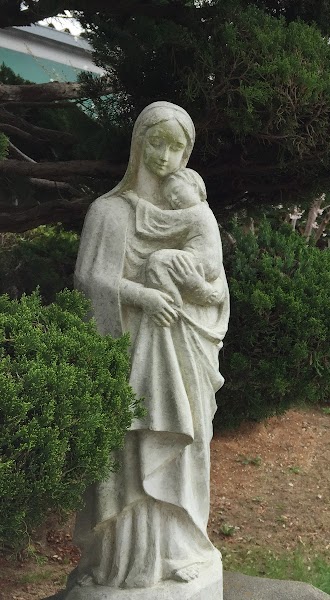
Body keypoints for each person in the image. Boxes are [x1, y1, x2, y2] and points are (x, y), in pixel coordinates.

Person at [70, 102, 229, 593]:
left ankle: (179, 549)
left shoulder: (196, 215)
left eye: (176, 146)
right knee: (128, 450)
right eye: (155, 143)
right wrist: (141, 295)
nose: (164, 155)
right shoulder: (109, 212)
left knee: (180, 447)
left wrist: (183, 293)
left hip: (181, 355)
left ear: (188, 152)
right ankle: (121, 561)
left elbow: (216, 290)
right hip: (126, 353)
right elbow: (89, 280)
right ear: (138, 145)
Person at [122, 167, 225, 309]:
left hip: (200, 263)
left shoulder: (198, 213)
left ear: (194, 187)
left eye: (176, 192)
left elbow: (161, 220)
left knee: (157, 261)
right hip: (207, 266)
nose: (174, 199)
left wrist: (136, 202)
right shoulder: (205, 211)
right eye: (169, 197)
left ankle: (172, 303)